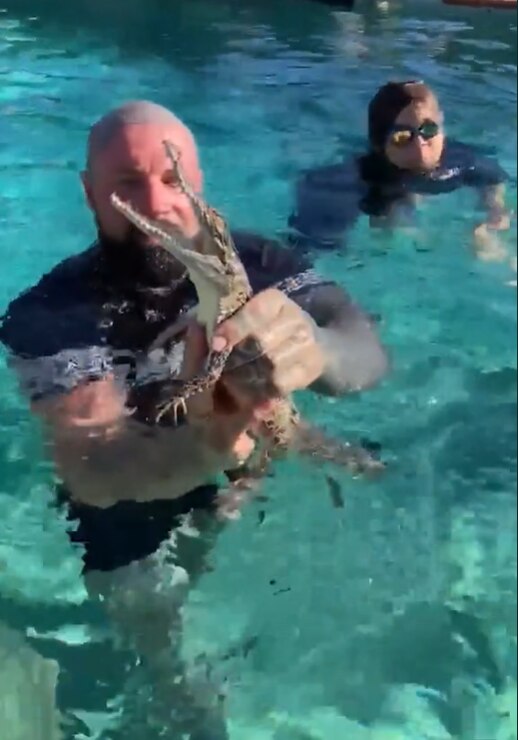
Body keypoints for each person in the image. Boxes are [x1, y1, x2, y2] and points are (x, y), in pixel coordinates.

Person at [0, 100, 388, 738]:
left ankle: (298, 444)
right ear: (90, 194)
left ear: (199, 183)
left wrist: (320, 351)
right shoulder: (50, 314)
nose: (155, 202)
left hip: (252, 442)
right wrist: (213, 440)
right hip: (142, 484)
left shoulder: (257, 262)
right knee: (139, 594)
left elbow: (365, 348)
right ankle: (170, 683)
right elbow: (96, 470)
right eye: (128, 182)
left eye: (172, 178)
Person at [288, 80, 513, 267]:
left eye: (429, 130)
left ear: (442, 128)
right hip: (383, 181)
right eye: (402, 138)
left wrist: (493, 212)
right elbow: (307, 244)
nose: (420, 145)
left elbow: (494, 178)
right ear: (379, 142)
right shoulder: (360, 179)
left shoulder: (458, 159)